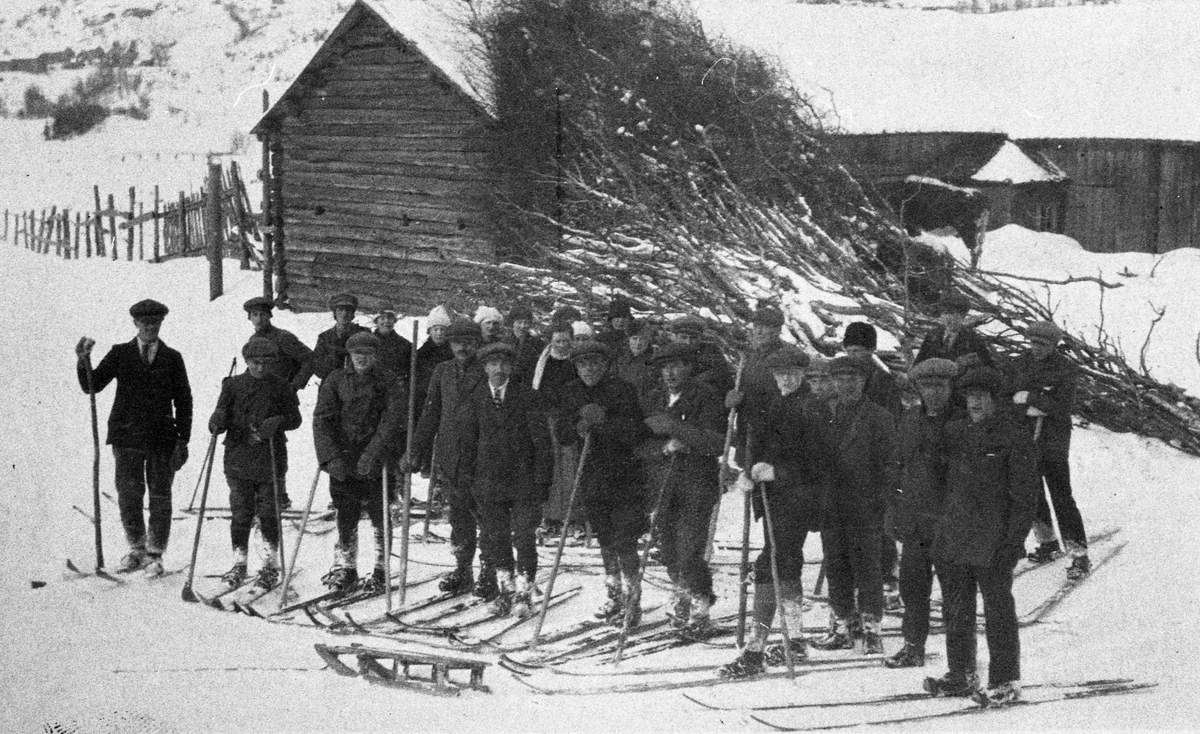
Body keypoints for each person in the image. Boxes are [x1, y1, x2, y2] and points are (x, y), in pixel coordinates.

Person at [926, 366, 1039, 705]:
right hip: (955, 535)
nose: (974, 402)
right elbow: (941, 483)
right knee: (956, 608)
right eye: (969, 396)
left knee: (997, 609)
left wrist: (1013, 540)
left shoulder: (1014, 436)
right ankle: (962, 674)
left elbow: (1025, 497)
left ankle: (1006, 679)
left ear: (995, 400)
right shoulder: (954, 432)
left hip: (993, 539)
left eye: (981, 397)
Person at [719, 346, 827, 679]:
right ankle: (794, 640)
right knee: (785, 561)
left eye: (792, 374)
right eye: (780, 374)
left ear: (803, 375)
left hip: (798, 498)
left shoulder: (812, 408)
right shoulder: (777, 403)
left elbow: (818, 463)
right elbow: (760, 443)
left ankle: (755, 650)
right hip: (775, 499)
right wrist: (749, 471)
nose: (785, 379)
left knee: (771, 564)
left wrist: (777, 472)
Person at [75, 299, 193, 576]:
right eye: (145, 323)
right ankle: (136, 548)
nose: (150, 327)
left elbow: (184, 400)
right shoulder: (120, 354)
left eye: (155, 323)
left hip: (162, 438)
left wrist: (183, 439)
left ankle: (155, 553)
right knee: (129, 495)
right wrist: (83, 361)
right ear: (136, 324)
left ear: (161, 324)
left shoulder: (172, 357)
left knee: (160, 497)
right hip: (127, 436)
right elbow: (91, 385)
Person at [554, 341, 650, 625]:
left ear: (606, 365)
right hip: (591, 476)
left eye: (595, 363)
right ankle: (614, 593)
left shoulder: (623, 390)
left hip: (624, 476)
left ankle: (633, 599)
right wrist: (579, 427)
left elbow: (637, 431)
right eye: (583, 364)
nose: (589, 369)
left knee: (624, 539)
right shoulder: (570, 392)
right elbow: (562, 433)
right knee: (605, 538)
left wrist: (604, 423)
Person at [810, 356, 896, 655]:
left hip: (865, 504)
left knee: (868, 567)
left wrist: (881, 502)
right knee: (835, 564)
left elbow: (889, 466)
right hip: (832, 504)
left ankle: (872, 629)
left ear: (864, 381)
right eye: (841, 378)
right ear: (833, 382)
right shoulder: (824, 414)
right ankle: (844, 625)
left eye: (854, 378)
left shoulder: (879, 417)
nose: (846, 384)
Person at [641, 342, 727, 635]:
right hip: (662, 483)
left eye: (676, 366)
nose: (670, 373)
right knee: (667, 546)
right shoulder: (653, 398)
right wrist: (664, 447)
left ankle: (700, 604)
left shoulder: (706, 396)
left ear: (688, 367)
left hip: (696, 482)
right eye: (664, 367)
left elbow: (716, 441)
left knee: (691, 548)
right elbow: (641, 443)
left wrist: (674, 428)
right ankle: (681, 595)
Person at [461, 342, 552, 617]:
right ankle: (505, 590)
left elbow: (542, 443)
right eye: (492, 364)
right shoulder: (475, 398)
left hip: (524, 482)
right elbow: (467, 444)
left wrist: (543, 481)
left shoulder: (527, 397)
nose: (498, 369)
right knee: (496, 538)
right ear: (484, 367)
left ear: (511, 367)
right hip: (488, 483)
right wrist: (468, 482)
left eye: (503, 364)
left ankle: (524, 591)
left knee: (524, 536)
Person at [313, 332, 407, 593]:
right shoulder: (335, 381)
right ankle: (346, 568)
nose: (362, 358)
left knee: (379, 513)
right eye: (357, 354)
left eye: (368, 354)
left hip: (378, 457)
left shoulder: (388, 381)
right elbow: (322, 420)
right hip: (344, 457)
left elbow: (392, 420)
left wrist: (373, 454)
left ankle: (380, 569)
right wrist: (330, 457)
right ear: (350, 356)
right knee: (346, 512)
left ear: (375, 356)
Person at [208, 337, 302, 590]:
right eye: (255, 363)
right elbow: (220, 416)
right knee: (240, 513)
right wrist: (216, 421)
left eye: (266, 363)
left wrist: (279, 421)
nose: (260, 368)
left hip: (270, 458)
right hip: (238, 458)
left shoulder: (281, 386)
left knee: (269, 514)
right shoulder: (233, 385)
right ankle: (239, 563)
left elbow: (296, 419)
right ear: (247, 361)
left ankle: (270, 566)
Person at [883, 358, 957, 669]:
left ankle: (960, 658)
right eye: (927, 386)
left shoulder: (961, 422)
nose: (933, 392)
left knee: (955, 594)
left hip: (950, 521)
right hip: (915, 520)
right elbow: (897, 467)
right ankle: (913, 645)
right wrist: (893, 510)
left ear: (951, 388)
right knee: (913, 587)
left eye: (940, 386)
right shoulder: (910, 419)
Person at [408, 319, 488, 595]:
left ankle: (489, 573)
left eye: (468, 342)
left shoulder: (488, 370)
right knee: (459, 517)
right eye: (456, 343)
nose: (462, 347)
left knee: (487, 516)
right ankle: (463, 569)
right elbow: (430, 414)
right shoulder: (442, 371)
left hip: (482, 455)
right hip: (451, 456)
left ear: (477, 343)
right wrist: (416, 448)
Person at [1006, 321, 1088, 578]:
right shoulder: (1019, 363)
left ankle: (1078, 554)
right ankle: (1048, 541)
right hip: (1025, 437)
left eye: (1042, 344)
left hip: (1053, 441)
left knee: (1061, 496)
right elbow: (1006, 397)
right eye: (1033, 343)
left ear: (1054, 345)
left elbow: (1061, 407)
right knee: (1031, 492)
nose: (1036, 348)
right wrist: (1035, 402)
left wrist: (1029, 398)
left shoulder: (1065, 368)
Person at [842, 321, 903, 606]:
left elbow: (894, 423)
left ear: (872, 351)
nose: (856, 357)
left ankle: (888, 579)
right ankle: (857, 579)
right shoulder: (841, 377)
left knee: (880, 524)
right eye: (850, 350)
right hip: (847, 463)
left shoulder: (883, 381)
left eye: (861, 351)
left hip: (876, 463)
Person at [532, 322, 584, 538]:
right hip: (547, 420)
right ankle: (551, 516)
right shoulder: (543, 361)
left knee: (571, 469)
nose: (562, 345)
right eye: (558, 341)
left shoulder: (576, 360)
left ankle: (573, 517)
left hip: (570, 420)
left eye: (566, 341)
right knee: (550, 469)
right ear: (551, 341)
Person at [242, 296, 314, 392]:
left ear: (269, 316)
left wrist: (294, 386)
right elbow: (253, 367)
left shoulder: (282, 337)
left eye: (262, 314)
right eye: (255, 315)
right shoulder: (253, 340)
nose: (259, 319)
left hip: (280, 394)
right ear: (249, 318)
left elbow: (311, 359)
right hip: (259, 393)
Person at [915, 292, 994, 369]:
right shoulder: (932, 336)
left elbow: (988, 370)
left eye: (953, 313)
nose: (949, 318)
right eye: (945, 313)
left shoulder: (973, 340)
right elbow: (917, 365)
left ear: (963, 315)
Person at [668, 314, 734, 395]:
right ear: (675, 338)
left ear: (700, 338)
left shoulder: (711, 350)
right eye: (683, 337)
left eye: (693, 338)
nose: (688, 342)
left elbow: (723, 374)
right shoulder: (667, 354)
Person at [311, 293, 370, 383]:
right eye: (340, 309)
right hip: (332, 386)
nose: (344, 313)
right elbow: (317, 368)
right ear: (335, 313)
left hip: (358, 385)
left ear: (353, 314)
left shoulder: (363, 334)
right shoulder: (325, 337)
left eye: (348, 310)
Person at [615, 319, 658, 414]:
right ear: (628, 340)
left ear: (648, 342)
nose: (638, 343)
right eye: (635, 338)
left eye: (642, 339)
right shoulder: (620, 361)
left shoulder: (654, 362)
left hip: (643, 411)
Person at [373, 306, 413, 383]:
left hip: (396, 389)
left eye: (390, 318)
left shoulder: (405, 345)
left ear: (394, 321)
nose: (386, 321)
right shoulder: (368, 342)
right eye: (382, 318)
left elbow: (411, 371)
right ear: (376, 321)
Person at [509, 303, 545, 386]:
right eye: (519, 322)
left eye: (526, 322)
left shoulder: (537, 344)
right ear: (512, 323)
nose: (523, 326)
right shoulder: (504, 342)